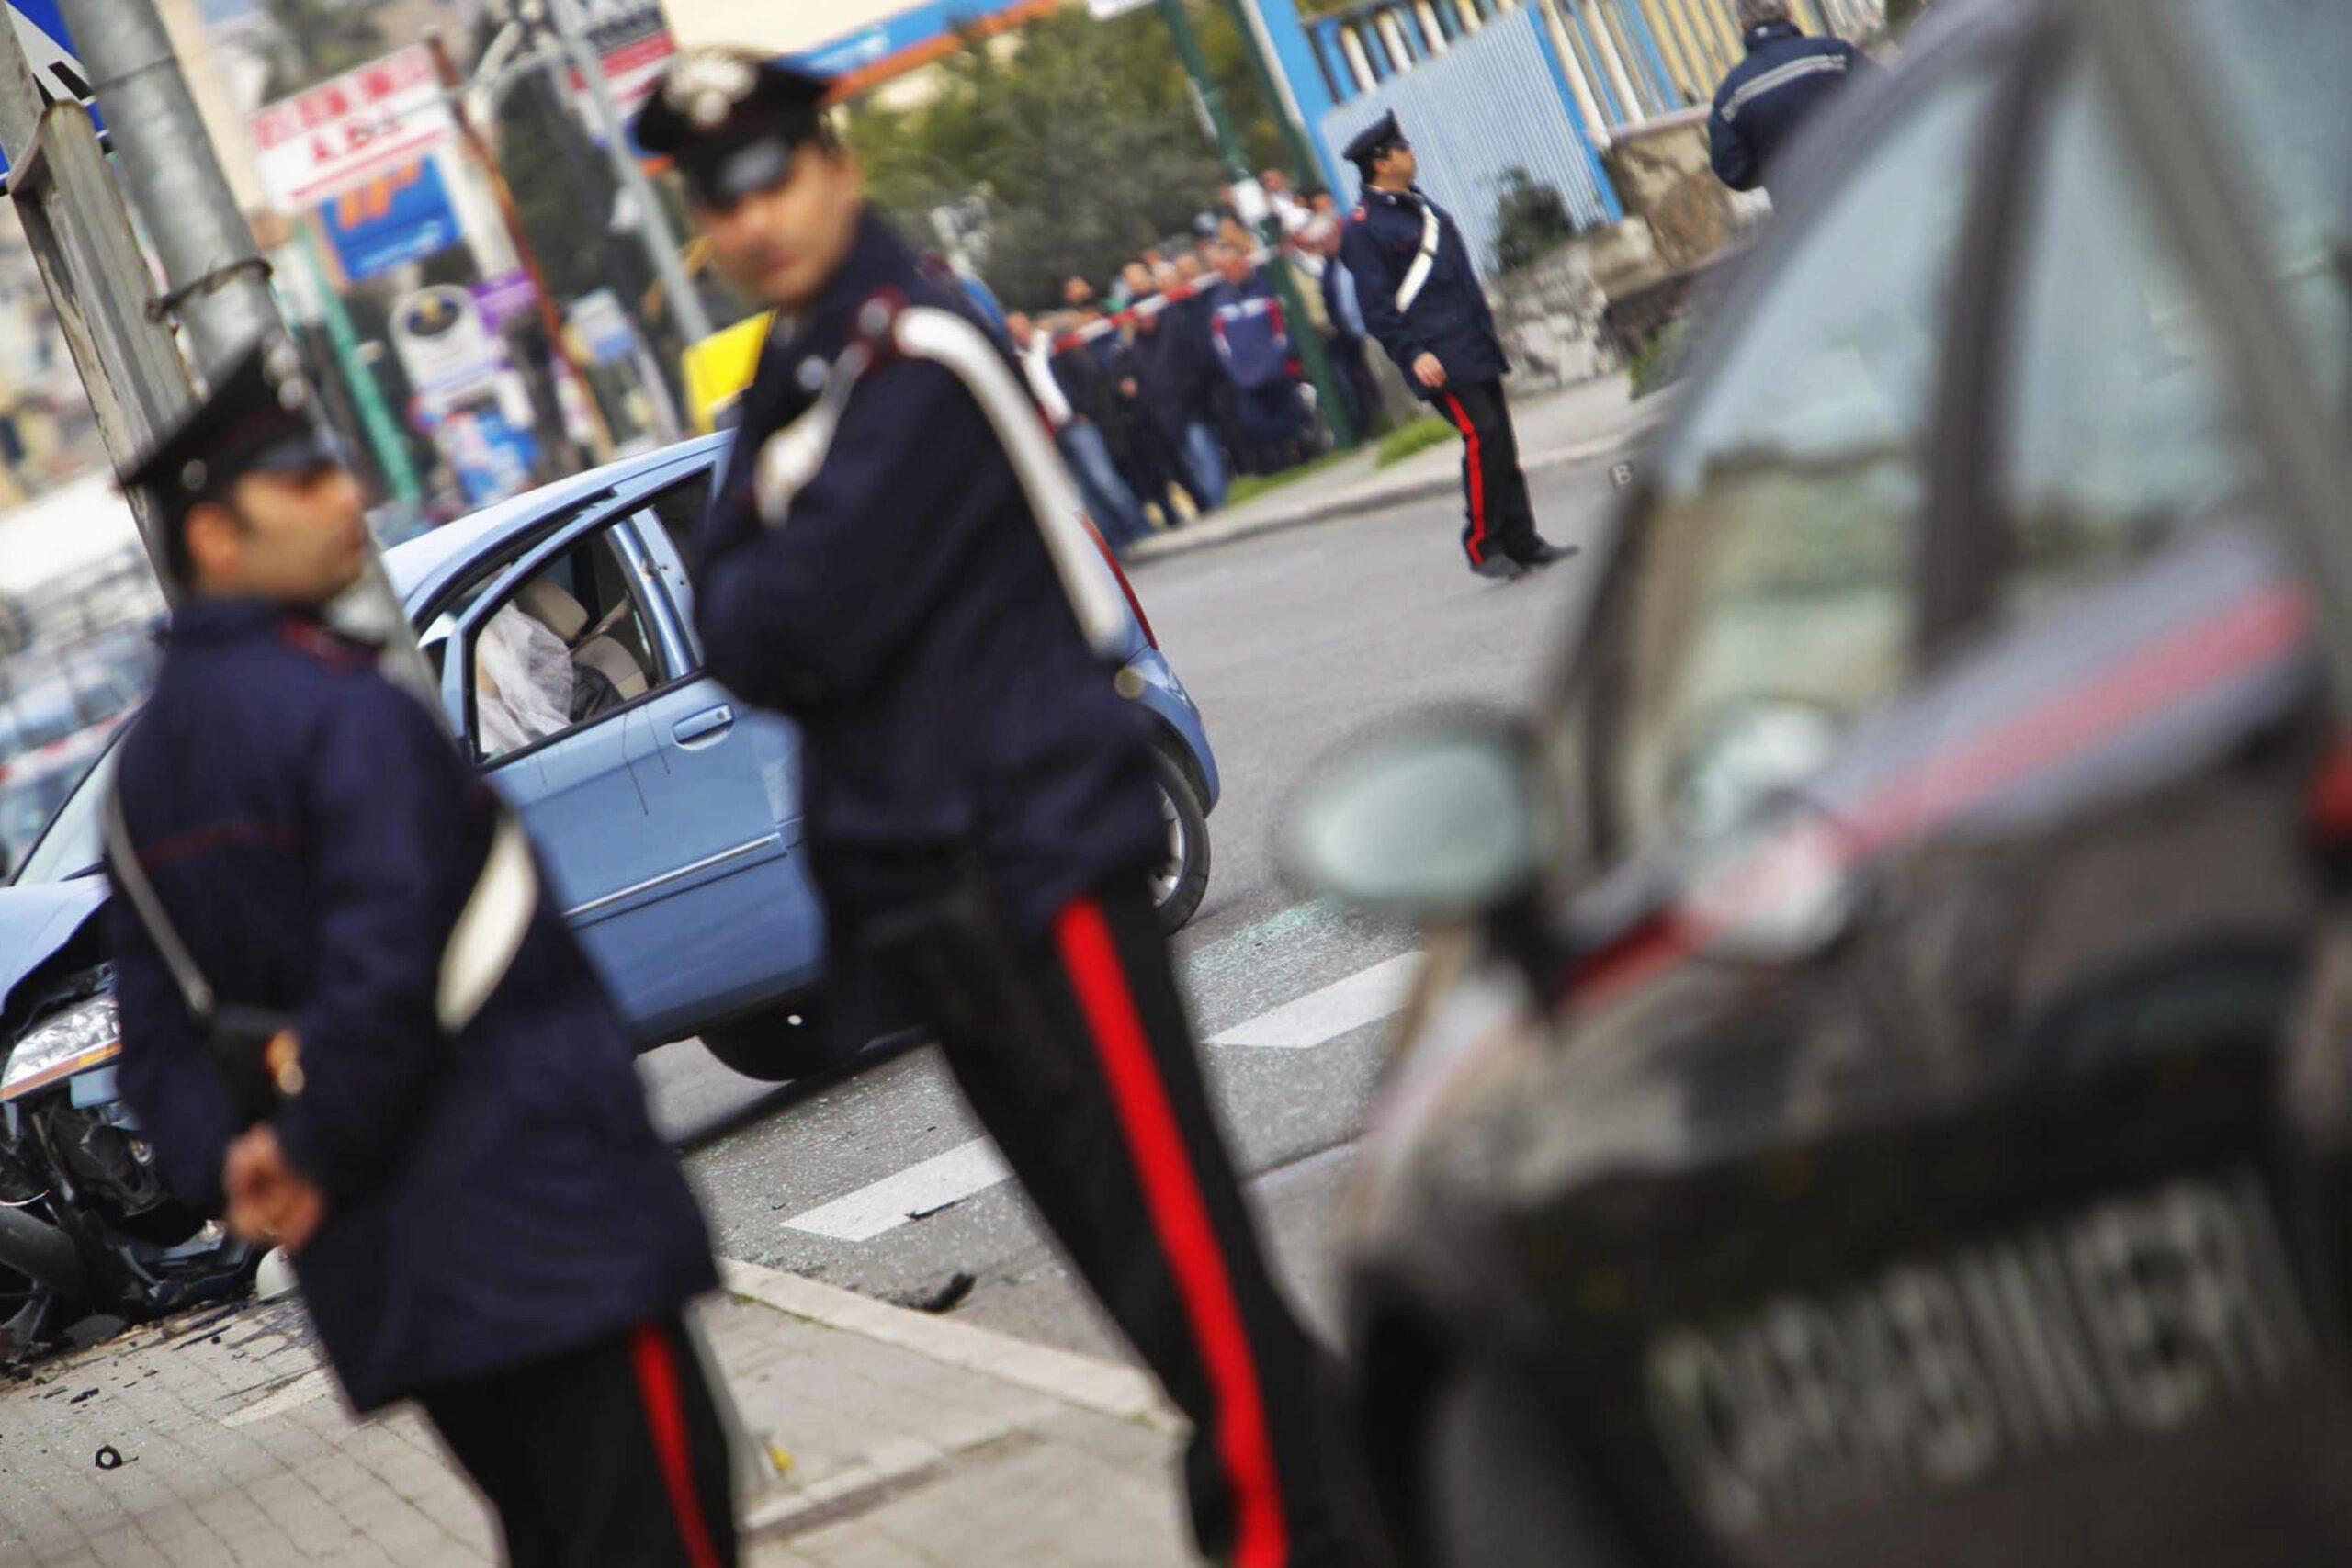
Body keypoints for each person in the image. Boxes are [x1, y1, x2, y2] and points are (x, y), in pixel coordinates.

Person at [635, 50, 1351, 1568]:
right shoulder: (803, 367)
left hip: (1035, 861)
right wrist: (770, 551)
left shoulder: (921, 346)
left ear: (832, 164)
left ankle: (1306, 1528)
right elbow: (728, 619)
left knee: (1193, 1272)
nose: (750, 216)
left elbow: (795, 624)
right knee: (1130, 1278)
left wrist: (770, 552)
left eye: (770, 172)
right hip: (933, 899)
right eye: (717, 195)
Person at [106, 339, 733, 1568]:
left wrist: (236, 1164)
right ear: (219, 541)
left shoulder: (147, 773)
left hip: (390, 1272)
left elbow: (156, 1031)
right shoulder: (342, 710)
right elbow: (391, 970)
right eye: (303, 481)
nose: (348, 495)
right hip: (547, 1233)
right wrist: (302, 1144)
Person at [1339, 111, 1574, 581]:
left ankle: (1522, 539)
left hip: (1471, 343)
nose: (1412, 154)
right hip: (1437, 356)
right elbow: (1378, 306)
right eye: (1403, 149)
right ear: (1381, 163)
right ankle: (1481, 544)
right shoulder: (1364, 228)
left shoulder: (1420, 208)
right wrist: (1412, 353)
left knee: (1501, 443)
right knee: (1481, 435)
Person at [1008, 310, 1152, 547]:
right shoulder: (1018, 360)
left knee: (1103, 480)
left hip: (1075, 422)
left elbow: (1085, 373)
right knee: (1082, 492)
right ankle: (1114, 541)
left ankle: (1140, 528)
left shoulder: (1053, 344)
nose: (1020, 333)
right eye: (1014, 331)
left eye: (1022, 326)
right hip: (1051, 433)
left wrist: (1082, 409)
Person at [1709, 0, 1878, 201]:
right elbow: (1886, 97)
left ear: (1743, 27)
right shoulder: (1835, 55)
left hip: (1801, 212)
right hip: (1864, 187)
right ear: (1789, 12)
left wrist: (1774, 169)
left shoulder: (1731, 96)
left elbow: (1732, 168)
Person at [1204, 243, 1306, 476]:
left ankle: (1302, 453)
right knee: (1256, 423)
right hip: (1245, 377)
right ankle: (1280, 465)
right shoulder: (1220, 301)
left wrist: (1274, 361)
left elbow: (1282, 329)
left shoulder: (1266, 287)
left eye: (1236, 263)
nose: (1233, 270)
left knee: (1289, 416)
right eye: (1227, 266)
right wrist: (1239, 373)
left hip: (1274, 370)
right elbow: (1220, 344)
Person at [1305, 218, 1385, 441]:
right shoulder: (1329, 266)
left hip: (1368, 329)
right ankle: (1370, 426)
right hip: (1347, 333)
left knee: (1371, 380)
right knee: (1355, 384)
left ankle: (1382, 421)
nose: (1324, 245)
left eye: (1326, 239)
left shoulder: (1353, 257)